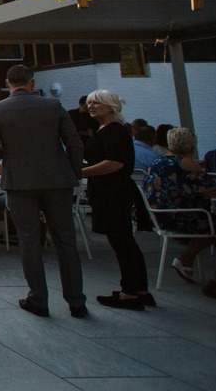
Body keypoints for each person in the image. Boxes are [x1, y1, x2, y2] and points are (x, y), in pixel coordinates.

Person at [0, 64, 86, 318]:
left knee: (29, 240)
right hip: (57, 179)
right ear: (32, 83)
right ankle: (76, 301)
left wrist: (14, 157)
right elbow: (74, 142)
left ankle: (39, 299)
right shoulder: (52, 106)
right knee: (65, 240)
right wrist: (73, 175)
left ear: (8, 83)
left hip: (20, 182)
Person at [81, 89, 151, 310]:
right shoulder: (107, 130)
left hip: (113, 192)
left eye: (97, 103)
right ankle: (138, 288)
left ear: (110, 106)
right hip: (109, 190)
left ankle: (130, 292)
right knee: (124, 241)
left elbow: (115, 162)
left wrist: (81, 173)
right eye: (90, 103)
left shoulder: (114, 131)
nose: (91, 106)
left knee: (121, 241)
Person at [144, 127, 216, 282]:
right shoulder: (187, 163)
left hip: (158, 215)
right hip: (181, 216)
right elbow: (212, 191)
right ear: (191, 146)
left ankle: (187, 260)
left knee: (211, 225)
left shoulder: (158, 161)